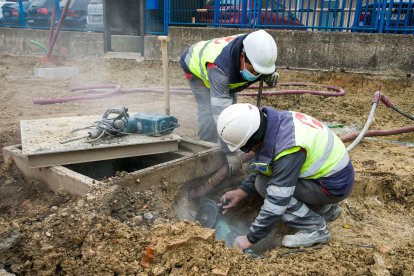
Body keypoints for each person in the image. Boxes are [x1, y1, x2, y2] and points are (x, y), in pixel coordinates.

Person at [216, 103, 355, 249]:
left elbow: (277, 200)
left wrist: (251, 238)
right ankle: (325, 209)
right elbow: (268, 164)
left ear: (254, 137)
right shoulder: (274, 123)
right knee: (265, 180)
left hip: (332, 187)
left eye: (245, 147)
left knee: (264, 185)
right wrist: (242, 191)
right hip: (329, 176)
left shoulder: (289, 149)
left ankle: (315, 228)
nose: (247, 151)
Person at [180, 30, 279, 176]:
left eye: (260, 72)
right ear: (242, 56)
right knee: (209, 110)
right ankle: (206, 151)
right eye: (254, 70)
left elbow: (262, 65)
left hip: (226, 70)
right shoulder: (220, 70)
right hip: (195, 66)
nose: (256, 75)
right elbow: (221, 115)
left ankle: (228, 143)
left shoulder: (256, 49)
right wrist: (230, 153)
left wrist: (269, 73)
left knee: (231, 108)